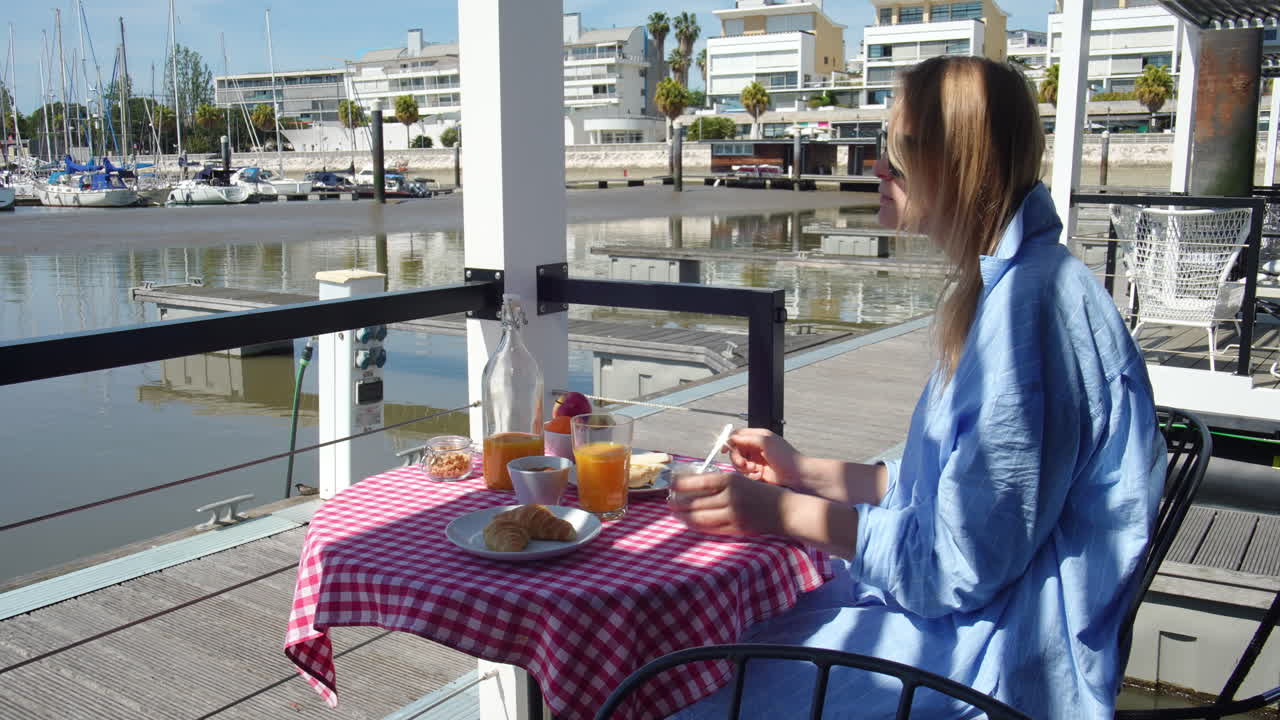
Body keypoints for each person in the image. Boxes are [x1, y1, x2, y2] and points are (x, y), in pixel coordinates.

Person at [668, 56, 1166, 719]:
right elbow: (945, 496)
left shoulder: (1027, 321)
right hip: (969, 628)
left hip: (990, 670)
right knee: (715, 653)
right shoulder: (1018, 287)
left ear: (955, 169)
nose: (876, 167)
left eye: (897, 154)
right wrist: (802, 472)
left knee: (677, 692)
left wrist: (774, 513)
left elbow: (952, 568)